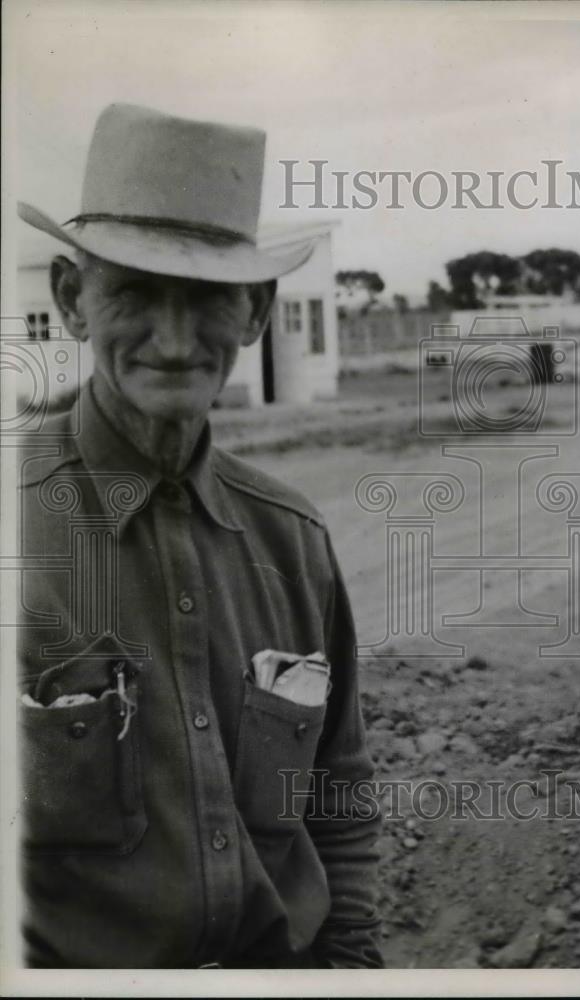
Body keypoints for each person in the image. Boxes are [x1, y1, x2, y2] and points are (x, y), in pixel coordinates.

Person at [16, 102, 382, 969]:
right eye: (136, 292)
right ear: (73, 300)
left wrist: (356, 970)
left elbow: (339, 793)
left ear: (255, 313)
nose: (176, 342)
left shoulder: (291, 539)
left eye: (209, 299)